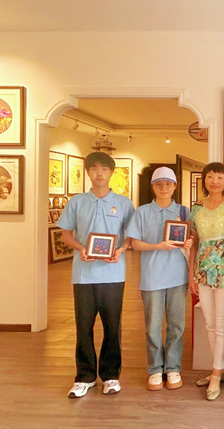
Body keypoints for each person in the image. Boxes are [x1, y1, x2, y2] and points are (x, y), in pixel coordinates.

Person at [57, 152, 134, 398]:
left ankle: (111, 375)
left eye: (104, 169)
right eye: (94, 168)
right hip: (83, 276)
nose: (99, 173)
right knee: (83, 327)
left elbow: (131, 235)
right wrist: (81, 249)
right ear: (88, 172)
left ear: (112, 172)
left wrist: (121, 249)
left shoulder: (124, 203)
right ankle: (85, 377)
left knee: (112, 327)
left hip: (113, 275)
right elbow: (65, 234)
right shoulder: (77, 202)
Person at [125, 167, 192, 392]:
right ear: (152, 187)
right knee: (152, 326)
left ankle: (172, 367)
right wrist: (157, 246)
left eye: (168, 184)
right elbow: (134, 243)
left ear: (175, 186)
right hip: (152, 276)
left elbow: (190, 239)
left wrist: (190, 242)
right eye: (159, 184)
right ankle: (155, 369)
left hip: (178, 276)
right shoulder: (142, 212)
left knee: (176, 325)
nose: (164, 188)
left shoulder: (183, 212)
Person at [189, 162, 224, 401]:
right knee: (209, 323)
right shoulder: (196, 208)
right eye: (210, 176)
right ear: (204, 180)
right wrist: (191, 273)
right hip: (202, 271)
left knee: (222, 324)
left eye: (219, 177)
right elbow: (194, 242)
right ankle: (219, 370)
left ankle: (216, 374)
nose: (215, 181)